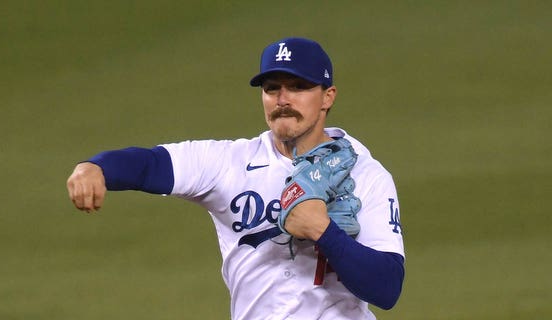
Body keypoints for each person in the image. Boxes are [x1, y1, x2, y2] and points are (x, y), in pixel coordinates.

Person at [66, 37, 405, 320]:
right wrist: (95, 167)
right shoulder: (229, 163)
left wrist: (324, 231)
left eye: (298, 87)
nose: (283, 100)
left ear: (327, 97)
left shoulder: (363, 173)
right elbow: (151, 164)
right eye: (272, 89)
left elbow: (387, 288)